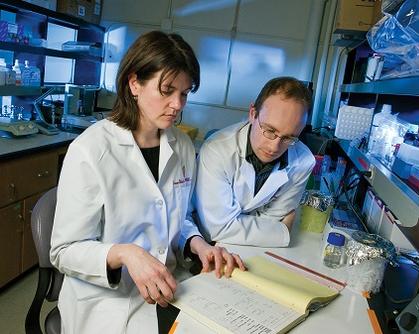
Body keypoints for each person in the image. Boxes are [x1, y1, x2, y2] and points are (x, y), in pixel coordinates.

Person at [50, 30, 244, 333]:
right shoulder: (91, 150)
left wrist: (198, 244)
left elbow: (178, 219)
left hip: (169, 289)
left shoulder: (181, 145)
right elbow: (64, 251)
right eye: (167, 90)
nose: (178, 104)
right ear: (134, 83)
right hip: (107, 302)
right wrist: (125, 253)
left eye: (185, 92)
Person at [194, 76, 315, 247]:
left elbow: (275, 217)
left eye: (289, 138)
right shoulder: (217, 149)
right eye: (270, 130)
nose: (275, 146)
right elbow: (216, 229)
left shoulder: (304, 161)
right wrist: (281, 232)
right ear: (253, 113)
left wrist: (236, 224)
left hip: (255, 250)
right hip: (206, 247)